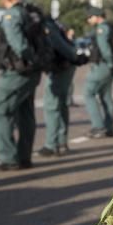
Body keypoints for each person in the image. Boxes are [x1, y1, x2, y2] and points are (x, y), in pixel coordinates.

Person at [0, 0, 42, 170]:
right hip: (31, 71)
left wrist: (29, 59)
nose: (2, 3)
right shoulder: (33, 12)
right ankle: (24, 156)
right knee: (25, 113)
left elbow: (18, 44)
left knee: (0, 111)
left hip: (18, 71)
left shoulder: (12, 15)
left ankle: (8, 158)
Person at [37, 20, 88, 157]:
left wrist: (73, 57)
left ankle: (52, 145)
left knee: (52, 106)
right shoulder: (53, 23)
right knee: (61, 104)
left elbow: (58, 44)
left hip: (60, 67)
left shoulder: (46, 25)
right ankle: (61, 142)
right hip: (64, 65)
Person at [84, 6, 113, 138]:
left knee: (89, 94)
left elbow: (105, 50)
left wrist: (110, 63)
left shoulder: (101, 28)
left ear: (97, 16)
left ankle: (98, 126)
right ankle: (109, 127)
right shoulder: (110, 27)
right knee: (106, 96)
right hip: (109, 67)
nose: (88, 20)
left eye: (90, 17)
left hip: (102, 66)